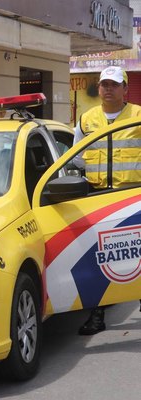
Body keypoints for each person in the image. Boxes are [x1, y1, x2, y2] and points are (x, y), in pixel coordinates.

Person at [73, 65, 141, 335]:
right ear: (99, 88)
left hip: (133, 195)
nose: (108, 89)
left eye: (114, 84)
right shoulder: (87, 119)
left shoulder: (138, 115)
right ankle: (97, 315)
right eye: (104, 84)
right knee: (99, 257)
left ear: (125, 89)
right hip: (98, 198)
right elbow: (76, 155)